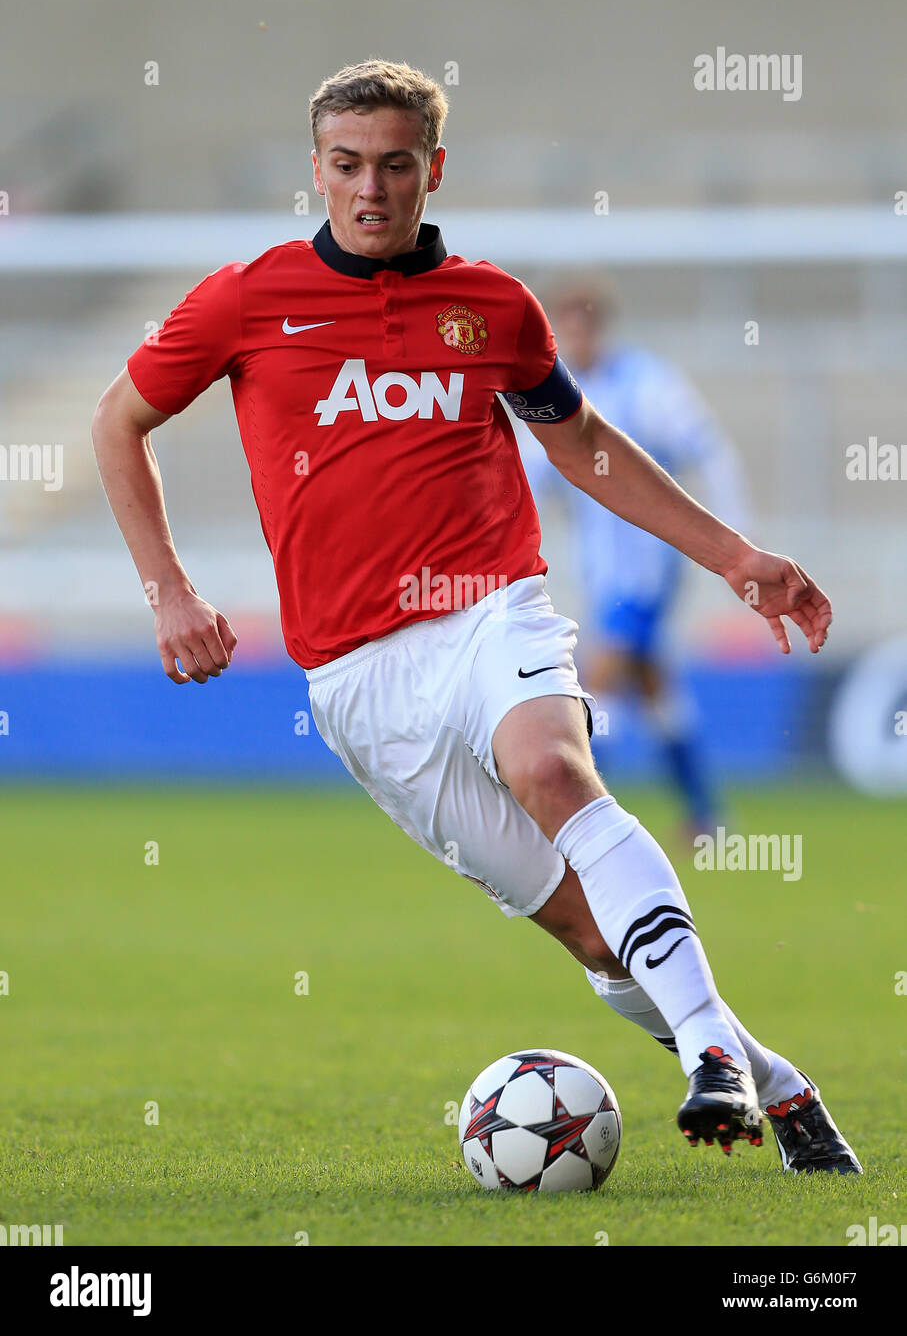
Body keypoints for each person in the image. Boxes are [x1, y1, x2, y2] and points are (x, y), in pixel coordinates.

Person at [92, 58, 859, 1174]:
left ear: (430, 170)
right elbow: (119, 422)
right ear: (318, 169)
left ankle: (709, 1058)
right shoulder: (247, 299)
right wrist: (168, 589)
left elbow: (583, 443)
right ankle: (780, 1085)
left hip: (489, 607)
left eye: (394, 166)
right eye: (347, 165)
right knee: (595, 936)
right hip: (358, 682)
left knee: (555, 768)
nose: (369, 190)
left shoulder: (492, 306)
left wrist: (735, 556)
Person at [513, 280, 749, 838]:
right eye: (566, 325)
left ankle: (587, 822)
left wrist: (736, 536)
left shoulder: (646, 383)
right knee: (655, 689)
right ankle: (707, 815)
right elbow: (529, 478)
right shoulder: (555, 393)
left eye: (585, 323)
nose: (578, 335)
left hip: (649, 565)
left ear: (601, 326)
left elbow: (710, 449)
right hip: (603, 573)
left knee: (599, 674)